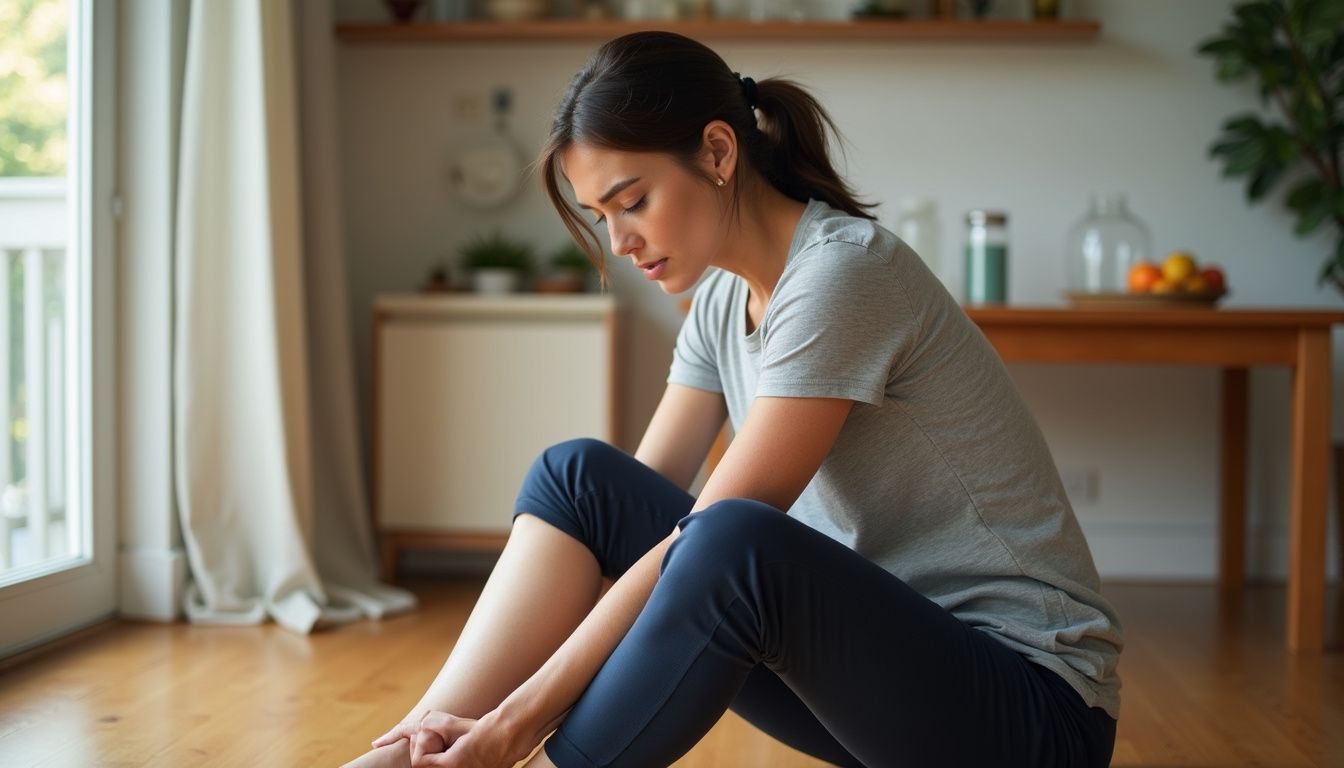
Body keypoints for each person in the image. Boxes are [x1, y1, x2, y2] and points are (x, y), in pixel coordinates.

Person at [346, 31, 1122, 768]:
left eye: (633, 201)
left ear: (717, 151)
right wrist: (480, 721)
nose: (620, 242)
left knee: (731, 541)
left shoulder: (843, 276)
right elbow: (633, 532)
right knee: (578, 479)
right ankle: (409, 749)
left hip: (1029, 712)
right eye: (602, 217)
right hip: (879, 688)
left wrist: (516, 722)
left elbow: (704, 537)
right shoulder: (721, 301)